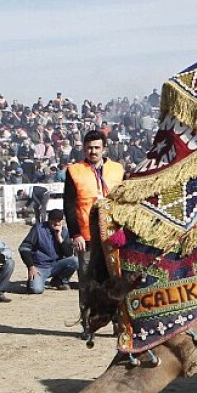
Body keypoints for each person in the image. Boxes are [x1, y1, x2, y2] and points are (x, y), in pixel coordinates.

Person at [64, 130, 124, 325]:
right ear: (84, 148)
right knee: (87, 282)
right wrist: (75, 234)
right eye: (89, 147)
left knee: (116, 279)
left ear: (104, 148)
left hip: (113, 235)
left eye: (97, 147)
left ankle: (118, 322)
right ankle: (88, 323)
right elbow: (69, 205)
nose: (93, 151)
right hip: (87, 236)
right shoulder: (74, 170)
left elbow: (125, 201)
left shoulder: (118, 169)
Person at [19, 209, 79, 294]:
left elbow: (69, 253)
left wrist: (60, 238)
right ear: (49, 220)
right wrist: (31, 266)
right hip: (40, 267)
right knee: (36, 290)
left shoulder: (64, 231)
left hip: (56, 265)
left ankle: (60, 280)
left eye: (59, 221)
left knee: (75, 261)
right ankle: (32, 282)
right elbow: (24, 248)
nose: (57, 224)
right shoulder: (38, 229)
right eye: (54, 221)